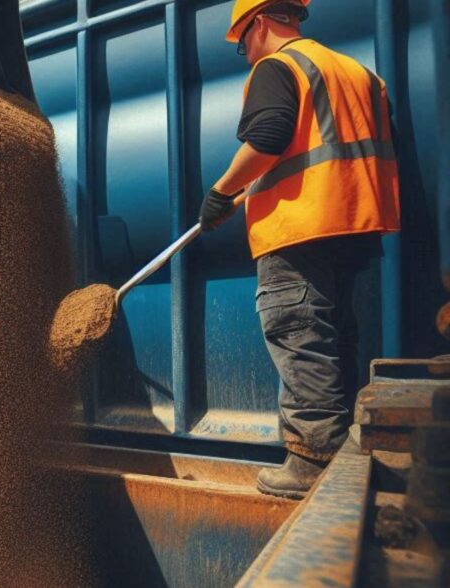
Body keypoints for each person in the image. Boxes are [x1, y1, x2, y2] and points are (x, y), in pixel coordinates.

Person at [200, 0, 401, 499]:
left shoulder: (278, 65)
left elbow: (268, 137)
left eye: (242, 40)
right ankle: (348, 451)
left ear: (261, 23)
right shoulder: (358, 72)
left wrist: (222, 191)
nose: (244, 52)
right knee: (342, 339)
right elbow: (334, 145)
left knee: (302, 336)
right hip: (356, 224)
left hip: (300, 230)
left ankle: (312, 459)